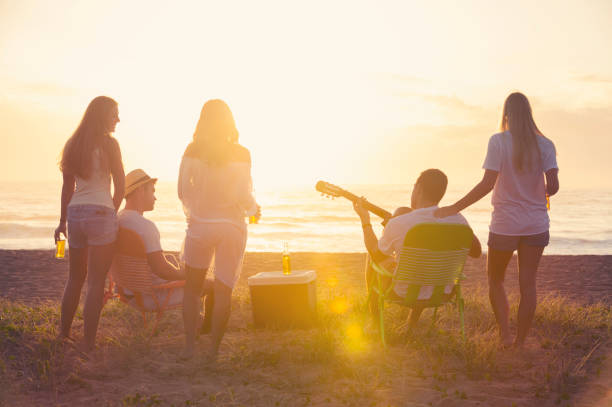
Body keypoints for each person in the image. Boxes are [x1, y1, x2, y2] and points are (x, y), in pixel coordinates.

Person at [435, 92, 559, 348]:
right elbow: (554, 186)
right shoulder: (546, 145)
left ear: (506, 115)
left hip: (505, 223)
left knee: (495, 280)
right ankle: (521, 343)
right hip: (536, 223)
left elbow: (487, 184)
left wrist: (454, 208)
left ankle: (504, 335)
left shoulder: (498, 141)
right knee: (528, 284)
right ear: (529, 115)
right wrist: (541, 189)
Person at [178, 99, 260, 359]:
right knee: (224, 290)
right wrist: (253, 209)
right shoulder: (242, 153)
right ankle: (213, 351)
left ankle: (190, 346)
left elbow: (183, 189)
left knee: (192, 289)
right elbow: (242, 193)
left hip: (201, 225)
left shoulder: (192, 150)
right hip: (231, 226)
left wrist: (195, 211)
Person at [353, 169, 481, 329]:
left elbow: (376, 254)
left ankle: (375, 322)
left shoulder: (400, 223)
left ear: (418, 189)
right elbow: (476, 252)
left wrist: (365, 220)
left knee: (372, 256)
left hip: (404, 293)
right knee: (427, 260)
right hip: (442, 293)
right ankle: (411, 324)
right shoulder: (458, 220)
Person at [54, 96, 125, 352]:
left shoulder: (74, 143)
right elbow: (121, 184)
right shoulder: (110, 144)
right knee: (96, 281)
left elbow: (67, 187)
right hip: (100, 212)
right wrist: (111, 211)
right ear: (102, 115)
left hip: (76, 213)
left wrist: (62, 221)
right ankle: (88, 343)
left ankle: (63, 333)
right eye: (114, 114)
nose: (118, 119)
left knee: (75, 278)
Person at [117, 169, 214, 322]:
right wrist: (188, 276)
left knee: (170, 259)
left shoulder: (118, 220)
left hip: (128, 292)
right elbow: (162, 270)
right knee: (210, 285)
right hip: (151, 296)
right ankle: (205, 329)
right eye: (152, 191)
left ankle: (198, 317)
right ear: (141, 190)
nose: (155, 198)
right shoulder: (145, 227)